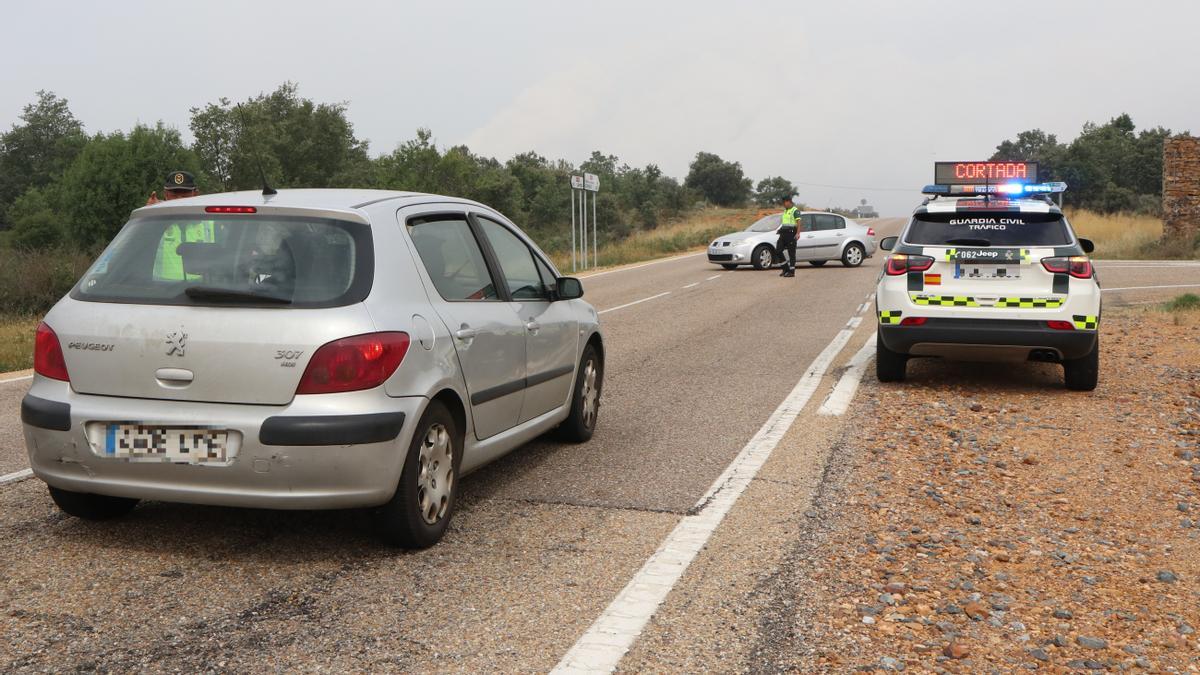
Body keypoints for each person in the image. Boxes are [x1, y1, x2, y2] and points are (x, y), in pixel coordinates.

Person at [148, 171, 214, 280]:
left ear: (196, 194)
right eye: (174, 195)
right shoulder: (154, 221)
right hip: (161, 291)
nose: (179, 200)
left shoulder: (211, 223)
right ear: (165, 195)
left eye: (185, 195)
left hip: (200, 291)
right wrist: (151, 214)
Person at [776, 195, 799, 277]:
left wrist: (798, 233)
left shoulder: (795, 210)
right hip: (783, 233)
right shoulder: (785, 211)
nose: (783, 204)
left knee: (791, 253)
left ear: (789, 201)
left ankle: (791, 272)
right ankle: (785, 269)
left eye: (784, 202)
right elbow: (785, 222)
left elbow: (799, 223)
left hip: (791, 233)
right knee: (778, 251)